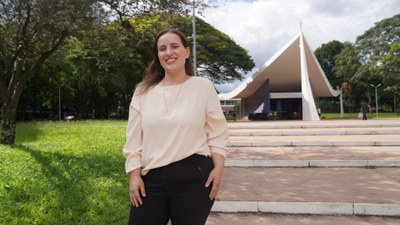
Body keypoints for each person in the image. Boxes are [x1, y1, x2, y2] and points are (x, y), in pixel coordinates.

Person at [123, 28, 229, 225]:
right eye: (162, 49)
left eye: (174, 46)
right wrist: (134, 176)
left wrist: (218, 170)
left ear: (186, 52)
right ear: (158, 56)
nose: (168, 52)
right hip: (151, 179)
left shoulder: (203, 86)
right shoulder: (143, 91)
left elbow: (218, 133)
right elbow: (133, 140)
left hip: (195, 177)